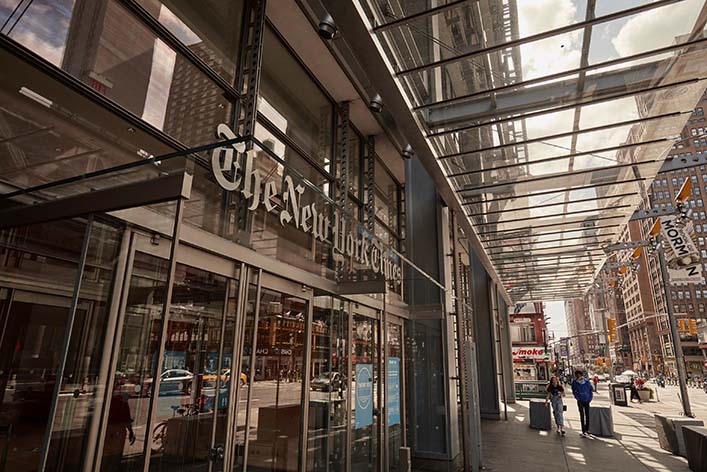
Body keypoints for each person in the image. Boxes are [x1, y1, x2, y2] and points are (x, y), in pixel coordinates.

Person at [571, 370, 593, 438]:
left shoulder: (586, 382)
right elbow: (573, 390)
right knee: (582, 415)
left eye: (578, 375)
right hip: (580, 400)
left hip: (587, 400)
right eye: (576, 375)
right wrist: (577, 397)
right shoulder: (574, 382)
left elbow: (590, 390)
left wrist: (590, 398)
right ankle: (583, 430)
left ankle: (587, 429)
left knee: (587, 415)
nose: (578, 376)